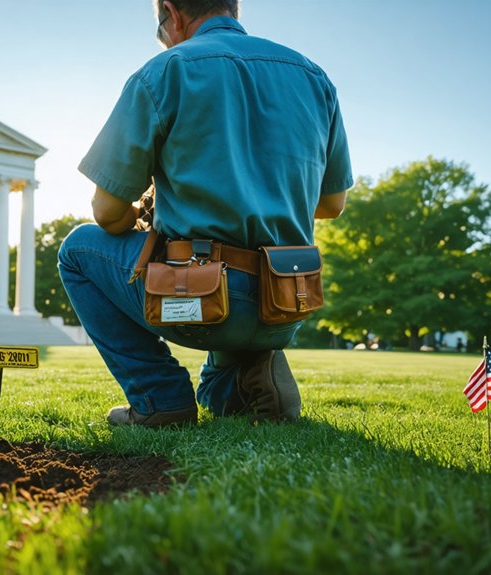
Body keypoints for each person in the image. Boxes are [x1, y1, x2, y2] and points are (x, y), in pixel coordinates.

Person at [58, 0, 352, 427]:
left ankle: (160, 399)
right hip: (284, 302)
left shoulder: (164, 72)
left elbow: (107, 213)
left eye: (161, 31)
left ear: (172, 14)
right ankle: (251, 376)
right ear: (233, 8)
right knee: (214, 393)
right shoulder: (313, 76)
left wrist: (145, 214)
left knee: (77, 251)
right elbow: (332, 204)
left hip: (200, 297)